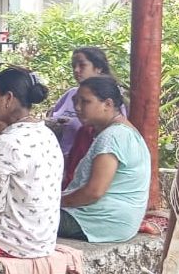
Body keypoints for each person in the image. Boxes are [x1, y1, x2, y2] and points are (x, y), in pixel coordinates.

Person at [0, 67, 63, 259]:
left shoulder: (5, 143)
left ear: (8, 98)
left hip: (9, 243)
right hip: (43, 242)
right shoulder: (46, 133)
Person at [59, 77, 150, 242]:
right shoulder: (127, 132)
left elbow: (94, 192)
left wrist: (55, 201)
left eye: (85, 102)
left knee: (21, 217)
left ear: (108, 104)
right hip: (116, 222)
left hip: (99, 220)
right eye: (75, 101)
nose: (77, 108)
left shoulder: (112, 136)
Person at [49, 47, 122, 188]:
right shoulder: (69, 95)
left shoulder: (111, 129)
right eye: (73, 66)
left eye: (82, 65)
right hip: (63, 168)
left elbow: (95, 190)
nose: (76, 70)